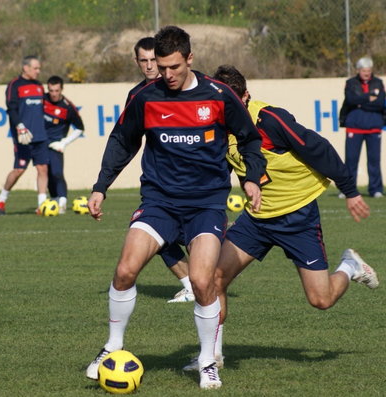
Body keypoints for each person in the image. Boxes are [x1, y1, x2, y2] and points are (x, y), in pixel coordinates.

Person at [84, 26, 267, 390]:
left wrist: (251, 176)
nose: (165, 74)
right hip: (159, 203)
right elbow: (123, 140)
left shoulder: (219, 95)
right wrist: (100, 186)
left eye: (173, 67)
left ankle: (206, 361)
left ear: (190, 59)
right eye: (160, 67)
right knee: (124, 270)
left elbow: (249, 139)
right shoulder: (146, 97)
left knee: (202, 282)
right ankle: (112, 347)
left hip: (205, 206)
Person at [182, 65, 379, 371]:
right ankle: (212, 356)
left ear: (246, 96)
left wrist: (350, 191)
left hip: (297, 215)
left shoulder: (269, 119)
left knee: (321, 300)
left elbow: (318, 148)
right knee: (213, 278)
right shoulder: (217, 129)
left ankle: (350, 266)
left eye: (234, 102)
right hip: (256, 219)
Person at [127, 37, 195, 303]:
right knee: (151, 232)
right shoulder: (137, 96)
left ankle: (201, 281)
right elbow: (126, 138)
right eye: (143, 61)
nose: (149, 66)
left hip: (194, 183)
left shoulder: (188, 89)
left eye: (153, 60)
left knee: (196, 236)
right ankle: (191, 284)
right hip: (160, 186)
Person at [0, 55, 49, 215]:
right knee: (19, 170)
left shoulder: (39, 86)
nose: (38, 71)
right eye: (35, 68)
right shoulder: (14, 85)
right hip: (23, 137)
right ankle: (1, 200)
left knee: (42, 169)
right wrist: (19, 126)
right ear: (26, 68)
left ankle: (42, 205)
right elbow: (11, 108)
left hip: (40, 136)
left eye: (39, 68)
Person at [339, 56, 386, 198]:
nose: (366, 73)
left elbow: (380, 103)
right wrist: (368, 98)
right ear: (358, 70)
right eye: (363, 70)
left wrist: (360, 102)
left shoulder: (378, 83)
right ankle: (348, 190)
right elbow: (350, 100)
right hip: (354, 127)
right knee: (351, 160)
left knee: (374, 160)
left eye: (369, 70)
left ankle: (376, 189)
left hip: (373, 127)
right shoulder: (351, 83)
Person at [43, 75, 85, 214]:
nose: (54, 94)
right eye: (51, 90)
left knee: (57, 172)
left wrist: (64, 143)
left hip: (56, 144)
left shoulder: (68, 107)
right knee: (46, 174)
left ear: (61, 89)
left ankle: (62, 202)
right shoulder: (42, 100)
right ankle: (54, 200)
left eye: (56, 90)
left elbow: (80, 128)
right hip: (41, 143)